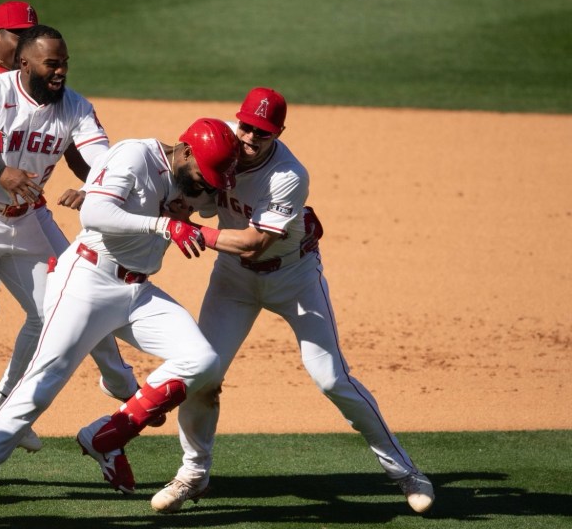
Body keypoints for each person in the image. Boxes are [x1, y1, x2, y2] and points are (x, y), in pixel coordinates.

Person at [0, 118, 240, 529]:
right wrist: (164, 223)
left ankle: (106, 435)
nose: (204, 187)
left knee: (204, 360)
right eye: (202, 176)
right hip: (87, 281)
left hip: (137, 292)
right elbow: (96, 214)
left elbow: (225, 152)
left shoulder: (194, 171)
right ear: (185, 151)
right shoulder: (135, 155)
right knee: (39, 389)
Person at [151, 87, 435, 515]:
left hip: (293, 279)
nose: (249, 138)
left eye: (262, 133)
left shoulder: (287, 174)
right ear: (237, 118)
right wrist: (105, 196)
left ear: (278, 133)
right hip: (233, 282)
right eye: (246, 126)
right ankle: (193, 474)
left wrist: (193, 230)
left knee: (332, 379)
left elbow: (253, 244)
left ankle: (405, 472)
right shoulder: (217, 142)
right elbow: (174, 176)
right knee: (202, 372)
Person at [0, 5, 140, 463]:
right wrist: (0, 170)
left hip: (25, 219)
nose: (60, 72)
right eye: (51, 64)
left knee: (54, 312)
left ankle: (2, 404)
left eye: (64, 64)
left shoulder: (76, 106)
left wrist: (98, 187)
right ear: (25, 62)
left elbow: (99, 158)